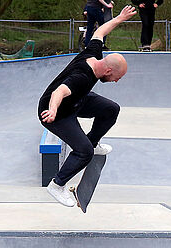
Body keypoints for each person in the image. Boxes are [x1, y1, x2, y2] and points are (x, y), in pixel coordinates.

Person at [40, 5, 138, 207]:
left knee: (111, 109)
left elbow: (100, 31)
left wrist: (120, 18)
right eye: (116, 78)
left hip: (78, 99)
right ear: (108, 70)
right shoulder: (82, 77)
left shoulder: (93, 51)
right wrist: (52, 110)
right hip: (57, 111)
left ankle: (93, 142)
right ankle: (57, 185)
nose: (115, 81)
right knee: (84, 152)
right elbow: (59, 92)